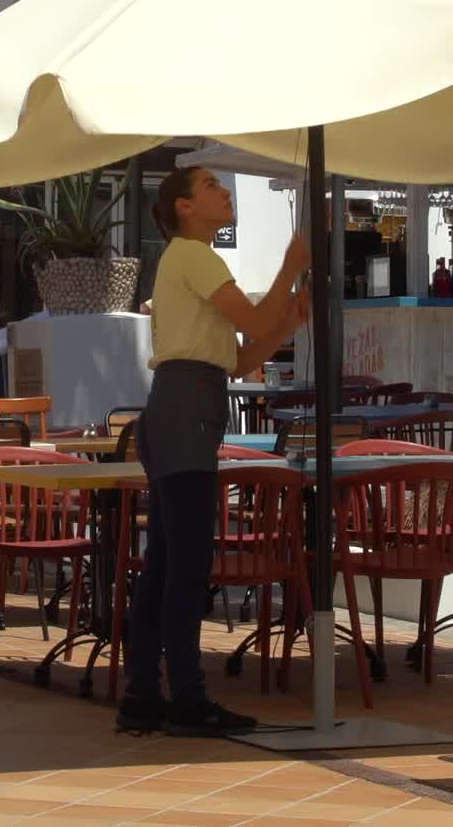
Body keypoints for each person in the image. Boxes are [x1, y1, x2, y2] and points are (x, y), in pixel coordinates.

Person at [116, 167, 312, 738]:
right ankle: (187, 698)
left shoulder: (185, 260)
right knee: (186, 566)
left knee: (165, 566)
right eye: (209, 185)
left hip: (181, 404)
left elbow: (244, 358)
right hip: (185, 409)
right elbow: (251, 322)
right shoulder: (196, 256)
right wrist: (289, 270)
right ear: (183, 206)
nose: (223, 191)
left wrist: (292, 317)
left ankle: (145, 695)